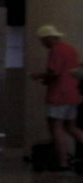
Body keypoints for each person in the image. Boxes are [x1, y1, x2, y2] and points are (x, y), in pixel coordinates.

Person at [31, 24, 81, 171]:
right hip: (73, 93)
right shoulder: (70, 49)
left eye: (43, 40)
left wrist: (39, 76)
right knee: (72, 127)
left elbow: (54, 73)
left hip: (58, 95)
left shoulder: (56, 51)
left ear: (49, 39)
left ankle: (62, 162)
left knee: (56, 128)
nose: (43, 44)